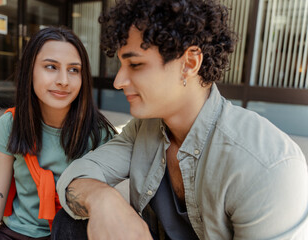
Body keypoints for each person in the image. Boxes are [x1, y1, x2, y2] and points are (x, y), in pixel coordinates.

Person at [53, 0, 308, 239]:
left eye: (136, 65)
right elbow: (75, 176)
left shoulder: (268, 166)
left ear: (190, 62)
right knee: (73, 220)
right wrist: (104, 200)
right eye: (120, 65)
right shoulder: (145, 129)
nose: (119, 82)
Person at [0, 26, 116, 240]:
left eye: (74, 70)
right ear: (29, 70)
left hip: (73, 232)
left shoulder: (99, 133)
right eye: (51, 66)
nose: (63, 80)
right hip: (17, 233)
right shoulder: (10, 125)